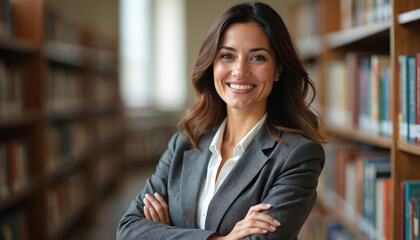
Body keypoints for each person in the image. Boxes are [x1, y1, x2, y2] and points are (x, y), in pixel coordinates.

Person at [117, 2, 325, 239]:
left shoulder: (298, 156)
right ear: (212, 65)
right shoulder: (185, 142)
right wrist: (222, 239)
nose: (239, 70)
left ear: (277, 70)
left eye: (257, 57)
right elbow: (128, 229)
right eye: (227, 55)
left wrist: (168, 232)